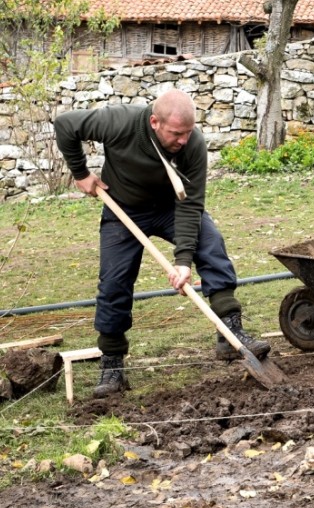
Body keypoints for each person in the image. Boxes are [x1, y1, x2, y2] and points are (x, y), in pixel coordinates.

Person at [54, 88, 270, 398]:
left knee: (211, 245)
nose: (183, 140)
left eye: (188, 132)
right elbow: (65, 125)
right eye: (176, 133)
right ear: (155, 122)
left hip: (172, 207)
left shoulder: (193, 145)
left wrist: (183, 260)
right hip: (123, 209)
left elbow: (191, 205)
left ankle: (230, 334)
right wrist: (80, 172)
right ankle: (113, 366)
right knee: (114, 283)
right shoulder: (120, 122)